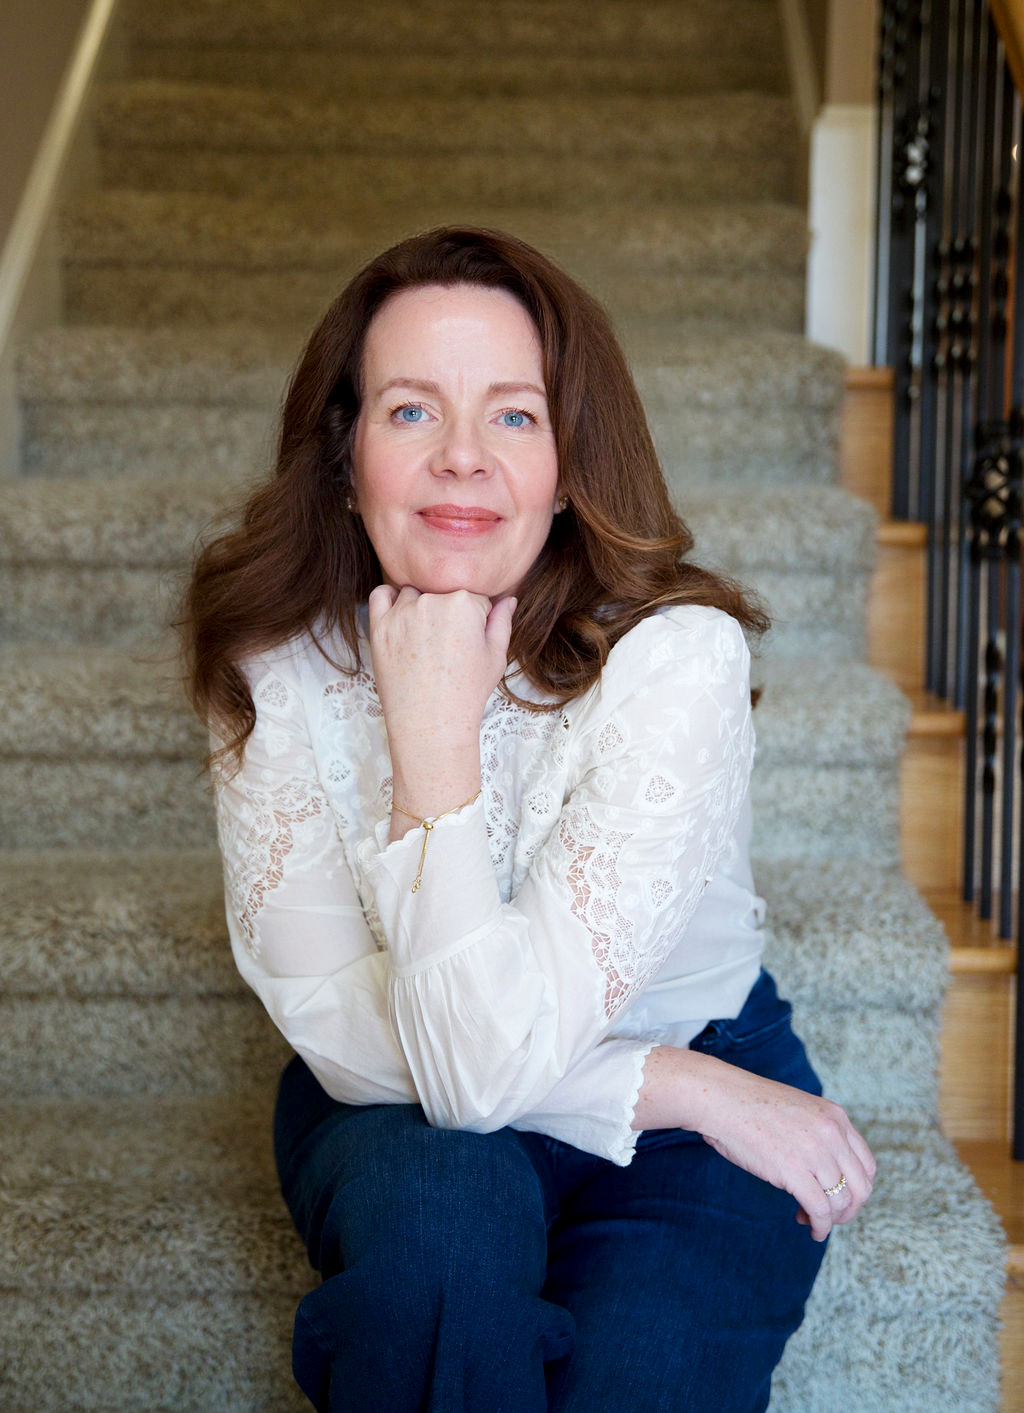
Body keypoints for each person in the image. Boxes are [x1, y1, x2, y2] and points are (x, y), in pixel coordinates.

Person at [182, 226, 875, 1413]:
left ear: (568, 466)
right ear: (344, 454)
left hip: (693, 1083)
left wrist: (689, 1089)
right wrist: (674, 1085)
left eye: (513, 415)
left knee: (635, 1380)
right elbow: (356, 1036)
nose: (462, 457)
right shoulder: (274, 655)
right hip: (397, 1101)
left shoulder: (675, 658)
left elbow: (494, 1061)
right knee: (434, 1257)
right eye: (411, 411)